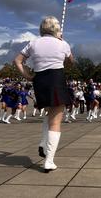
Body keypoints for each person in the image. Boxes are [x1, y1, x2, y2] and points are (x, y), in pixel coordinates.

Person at [15, 16, 73, 173]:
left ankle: (42, 143)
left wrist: (27, 76)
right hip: (56, 78)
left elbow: (18, 61)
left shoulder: (33, 43)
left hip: (39, 80)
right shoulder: (63, 43)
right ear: (56, 29)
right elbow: (71, 62)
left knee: (49, 114)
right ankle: (49, 160)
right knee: (56, 121)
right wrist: (62, 42)